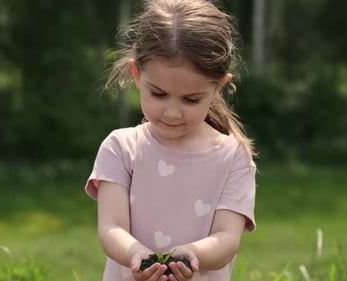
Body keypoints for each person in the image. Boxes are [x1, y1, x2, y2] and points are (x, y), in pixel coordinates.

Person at [85, 0, 257, 280]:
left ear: (218, 87)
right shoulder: (120, 148)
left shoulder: (233, 157)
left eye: (191, 99)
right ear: (136, 75)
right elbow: (111, 228)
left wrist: (192, 254)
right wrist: (135, 255)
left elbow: (227, 237)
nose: (172, 112)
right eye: (159, 94)